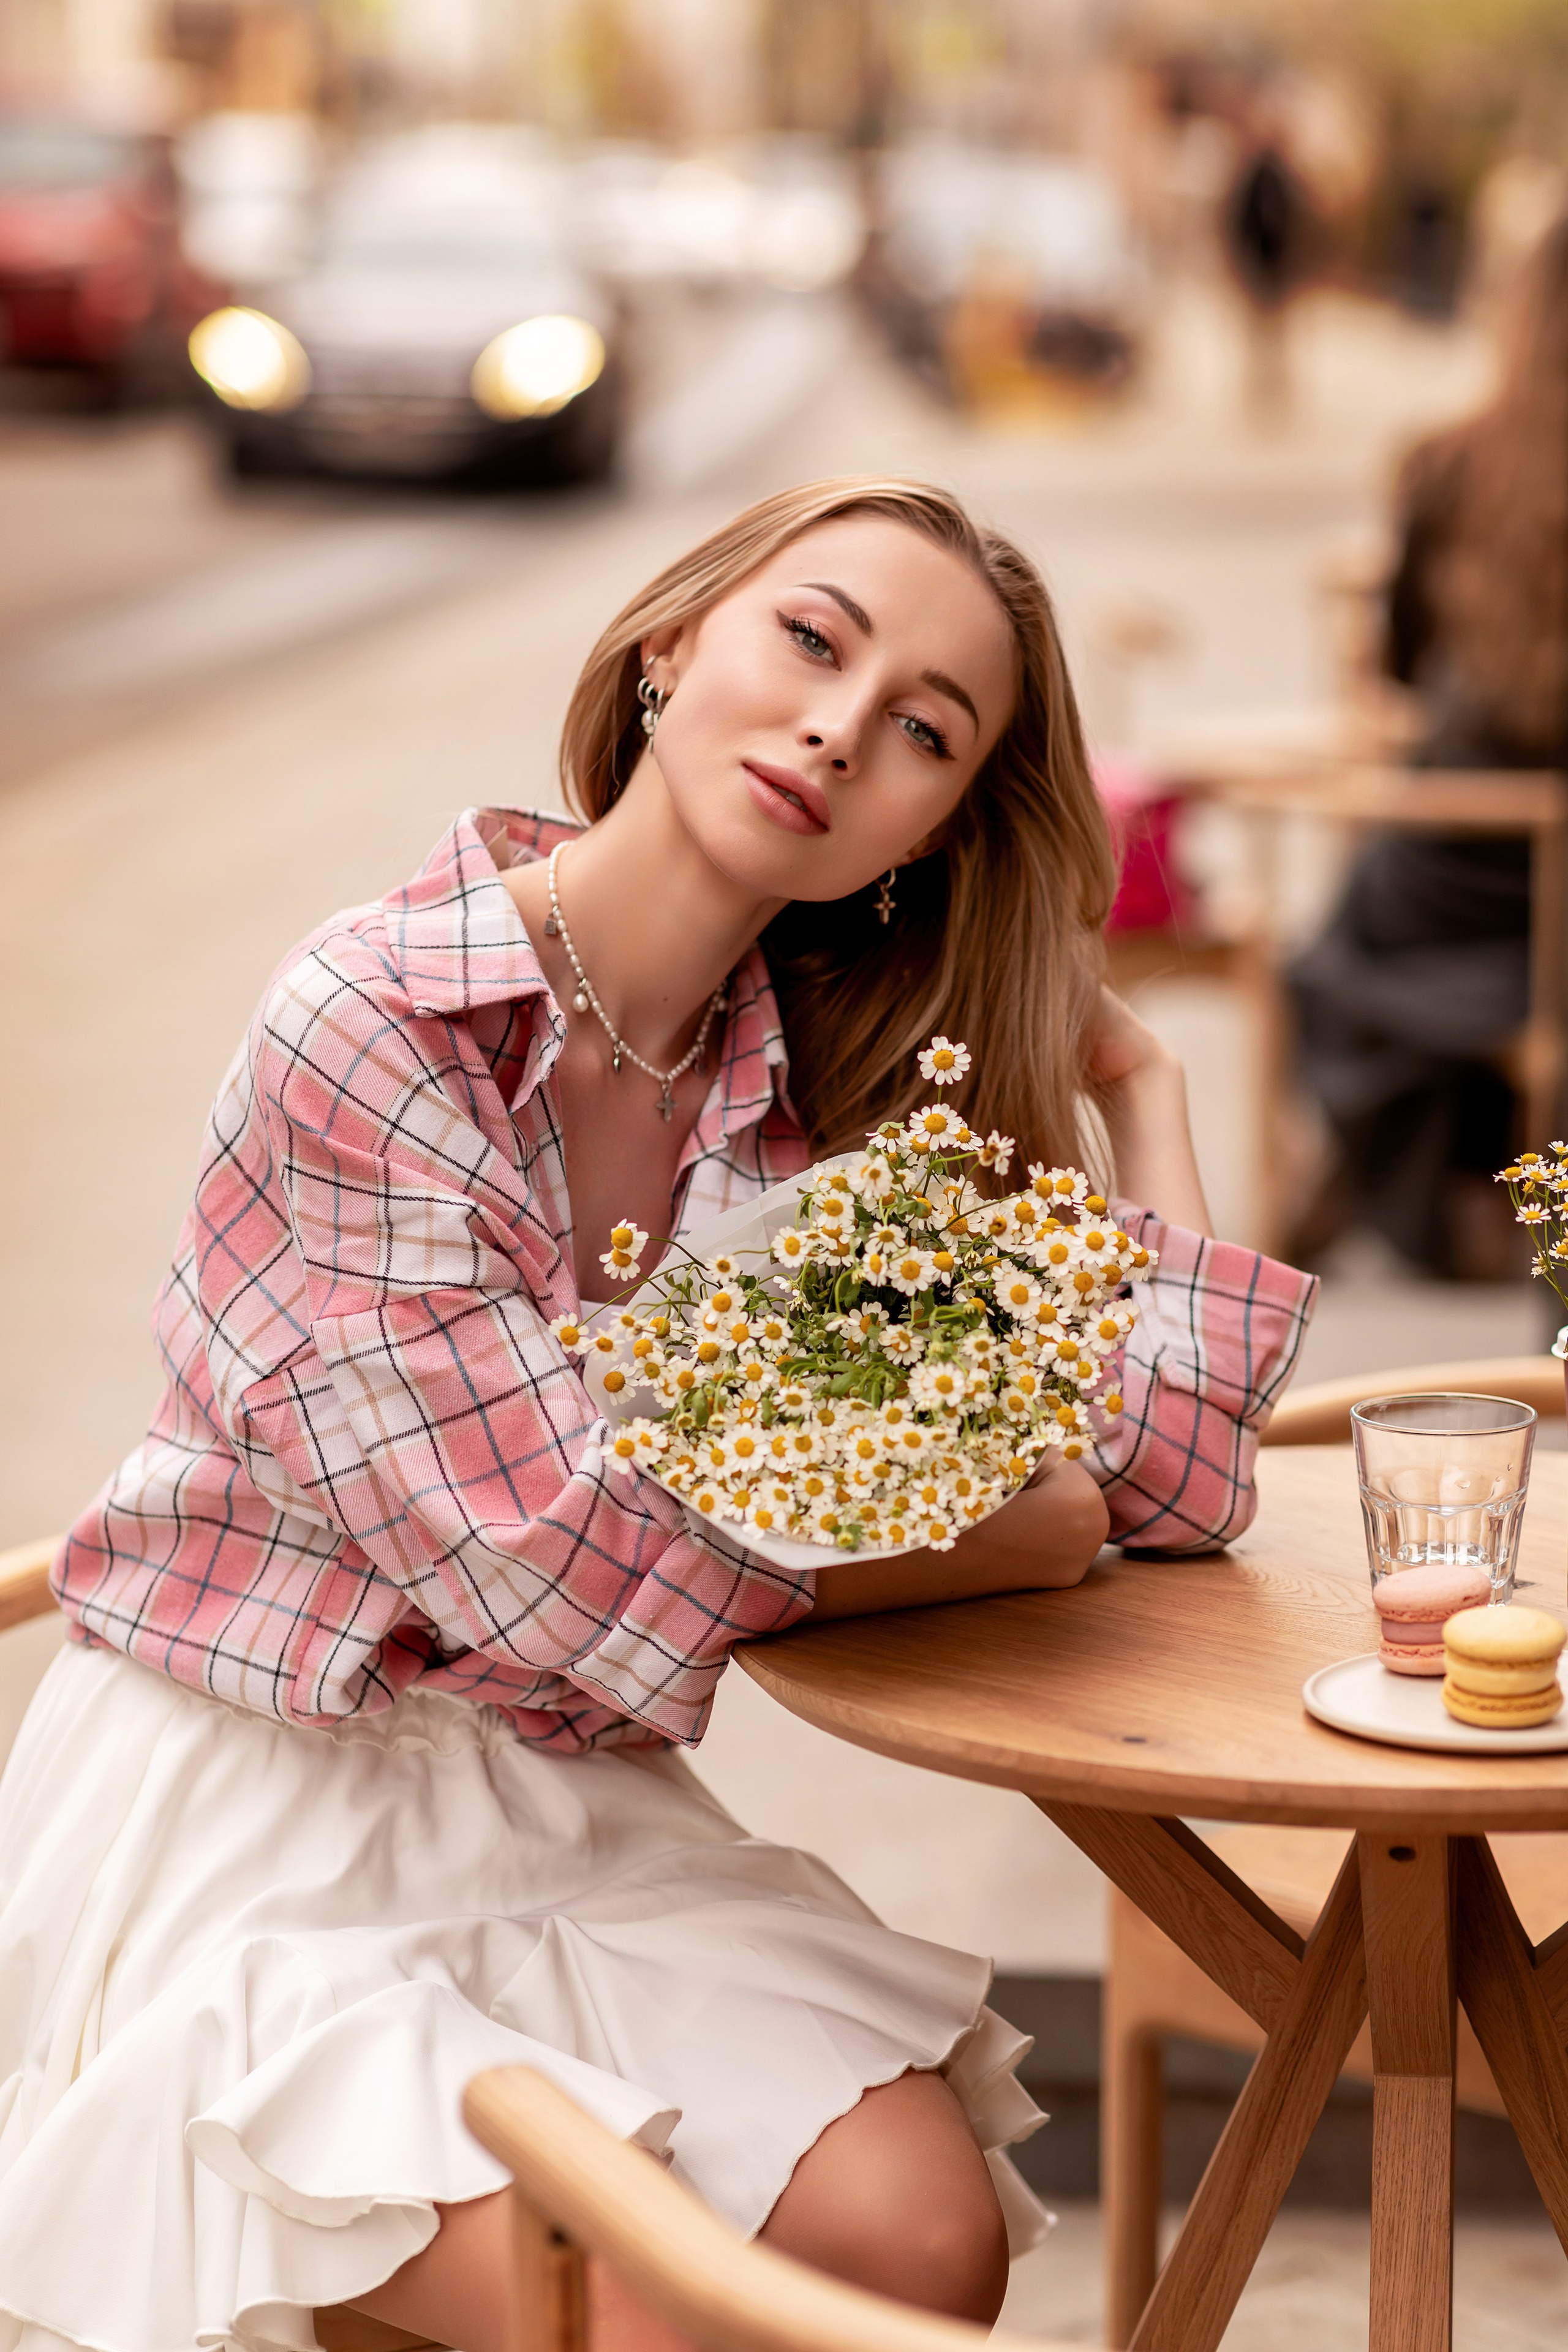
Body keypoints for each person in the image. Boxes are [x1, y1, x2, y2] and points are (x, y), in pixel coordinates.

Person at [0, 478, 1316, 2352]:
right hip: (254, 1808)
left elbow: (1167, 1491)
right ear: (668, 643)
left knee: (923, 2238)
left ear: (929, 829)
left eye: (927, 728)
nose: (843, 727)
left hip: (551, 1809)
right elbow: (560, 1582)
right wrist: (972, 1532)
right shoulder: (371, 1026)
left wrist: (1145, 1083)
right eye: (813, 638)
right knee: (657, 2316)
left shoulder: (805, 1097)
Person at [1291, 214, 1568, 1275]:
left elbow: (1401, 667)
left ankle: (1414, 1189)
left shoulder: (1452, 462)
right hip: (1549, 883)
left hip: (1456, 858)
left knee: (1334, 946)